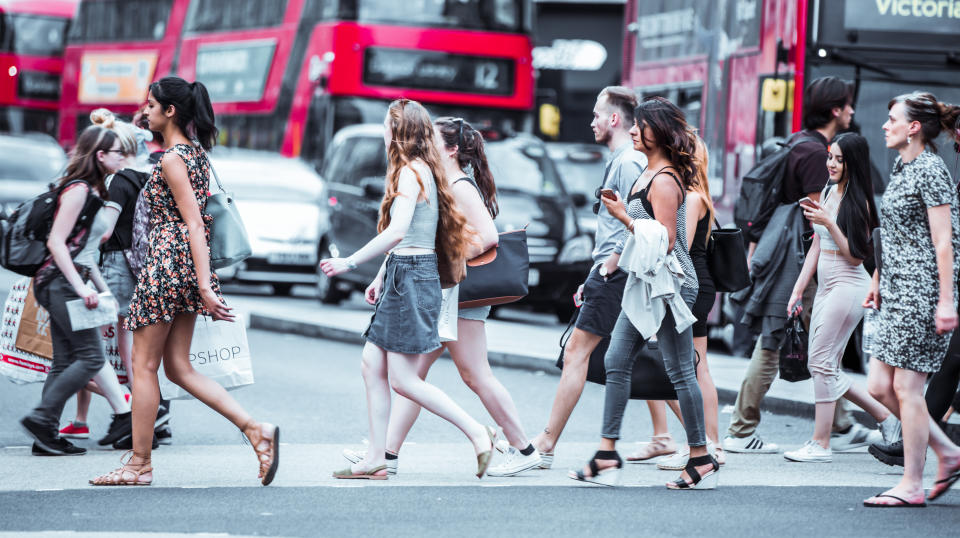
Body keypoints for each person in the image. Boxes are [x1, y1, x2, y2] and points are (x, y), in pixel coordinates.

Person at [89, 77, 279, 486]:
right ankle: (255, 430)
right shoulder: (195, 154)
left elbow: (194, 222)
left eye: (152, 105)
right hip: (182, 268)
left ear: (170, 111)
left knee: (143, 366)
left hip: (165, 266)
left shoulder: (174, 158)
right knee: (177, 367)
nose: (146, 111)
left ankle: (138, 464)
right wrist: (202, 280)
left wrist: (207, 287)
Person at [321, 99, 494, 480]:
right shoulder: (422, 170)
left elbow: (398, 231)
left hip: (412, 277)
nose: (383, 132)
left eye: (386, 125)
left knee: (403, 380)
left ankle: (477, 432)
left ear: (397, 132)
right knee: (372, 364)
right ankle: (375, 456)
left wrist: (349, 262)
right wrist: (381, 274)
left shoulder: (409, 173)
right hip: (407, 272)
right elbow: (415, 235)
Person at [571, 96, 716, 489]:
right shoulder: (647, 173)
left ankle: (701, 455)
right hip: (644, 283)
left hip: (672, 286)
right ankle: (606, 451)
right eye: (633, 124)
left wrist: (623, 217)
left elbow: (668, 242)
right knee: (617, 359)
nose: (633, 130)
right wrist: (609, 264)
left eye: (641, 125)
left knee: (680, 371)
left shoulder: (666, 179)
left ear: (660, 133)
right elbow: (643, 235)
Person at [725, 76, 867, 454]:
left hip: (794, 260)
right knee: (777, 343)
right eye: (848, 105)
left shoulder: (799, 143)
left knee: (820, 345)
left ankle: (839, 425)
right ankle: (741, 430)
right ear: (836, 109)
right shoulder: (815, 154)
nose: (853, 111)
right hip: (799, 262)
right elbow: (820, 216)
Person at [531, 87, 646, 465]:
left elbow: (639, 222)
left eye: (597, 114)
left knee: (576, 353)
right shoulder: (623, 159)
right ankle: (693, 441)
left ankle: (547, 443)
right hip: (610, 271)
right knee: (649, 358)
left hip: (615, 273)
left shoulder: (627, 162)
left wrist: (610, 262)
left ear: (614, 119)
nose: (592, 120)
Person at [862, 92, 960, 507]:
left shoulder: (931, 170)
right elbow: (896, 234)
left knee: (906, 388)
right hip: (897, 292)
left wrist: (946, 300)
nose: (885, 125)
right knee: (879, 386)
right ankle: (948, 452)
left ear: (914, 127)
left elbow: (943, 242)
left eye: (892, 119)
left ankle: (912, 483)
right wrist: (879, 278)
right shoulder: (903, 165)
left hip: (922, 294)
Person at [782, 133, 899, 463]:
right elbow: (816, 248)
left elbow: (856, 256)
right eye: (829, 157)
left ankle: (821, 443)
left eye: (838, 159)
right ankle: (887, 421)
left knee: (820, 362)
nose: (831, 164)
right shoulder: (831, 191)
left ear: (853, 163)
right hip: (826, 287)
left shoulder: (857, 202)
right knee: (823, 364)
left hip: (849, 287)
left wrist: (830, 223)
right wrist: (797, 290)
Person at [19, 125, 123, 456]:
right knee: (91, 356)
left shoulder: (92, 192)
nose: (124, 157)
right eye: (118, 152)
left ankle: (44, 436)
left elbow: (86, 251)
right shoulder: (78, 190)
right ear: (100, 155)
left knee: (65, 361)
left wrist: (105, 294)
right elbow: (56, 243)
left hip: (68, 282)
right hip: (60, 283)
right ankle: (42, 418)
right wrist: (80, 288)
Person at [641, 137, 725, 470]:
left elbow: (681, 249)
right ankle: (706, 442)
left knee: (695, 365)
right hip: (698, 284)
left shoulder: (691, 199)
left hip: (692, 285)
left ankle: (711, 445)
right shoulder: (696, 196)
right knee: (693, 364)